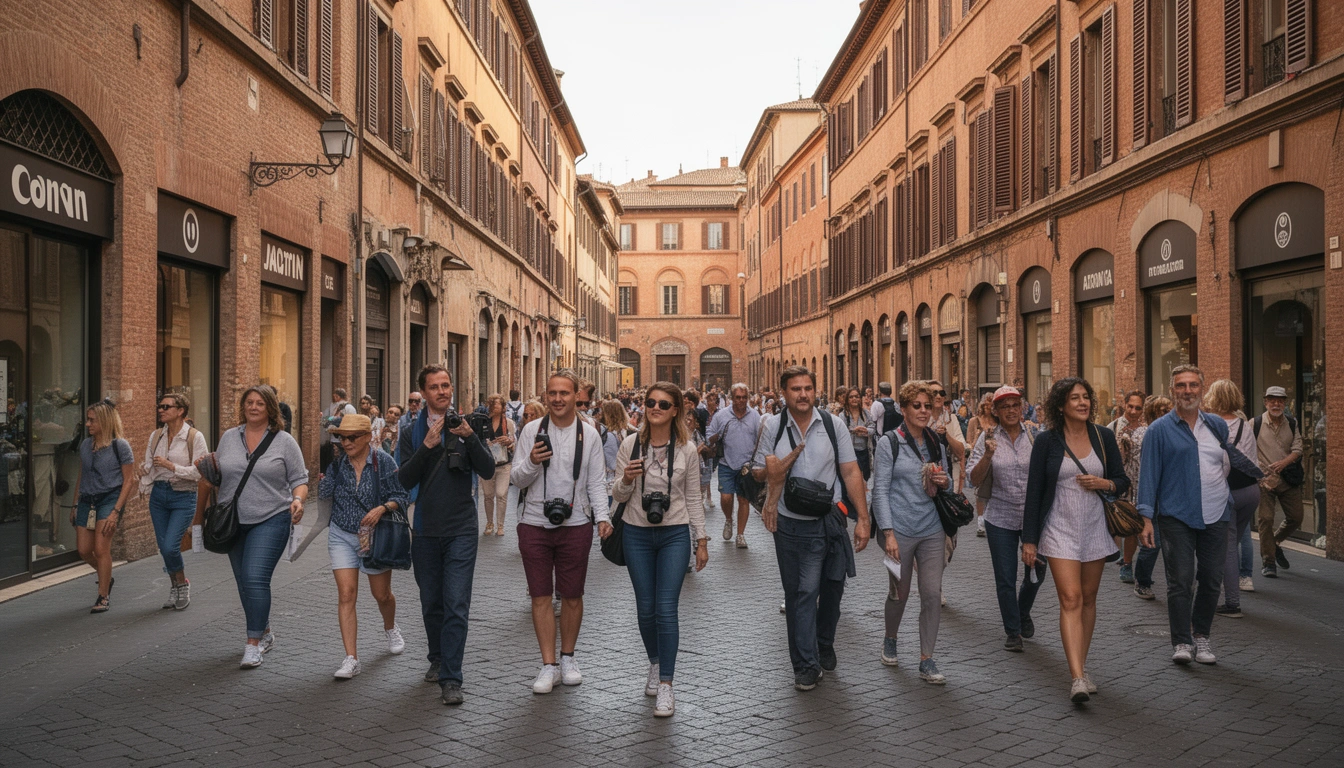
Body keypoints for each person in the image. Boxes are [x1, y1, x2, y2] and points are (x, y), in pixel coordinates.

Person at [755, 366, 870, 692]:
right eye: (795, 389)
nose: (802, 394)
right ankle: (805, 665)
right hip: (791, 524)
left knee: (833, 588)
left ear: (815, 390)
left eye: (808, 388)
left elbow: (850, 471)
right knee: (802, 593)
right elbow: (765, 471)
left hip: (830, 520)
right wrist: (768, 494)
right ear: (784, 393)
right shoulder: (773, 426)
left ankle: (824, 641)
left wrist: (863, 518)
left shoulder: (833, 425)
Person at [1022, 377, 1128, 702]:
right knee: (1070, 598)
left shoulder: (1103, 436)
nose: (1082, 403)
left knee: (1088, 598)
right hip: (1059, 528)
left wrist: (1104, 483)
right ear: (1061, 405)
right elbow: (1035, 492)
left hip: (1095, 527)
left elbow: (1122, 481)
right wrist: (1029, 540)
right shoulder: (1046, 441)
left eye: (1086, 397)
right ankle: (1077, 677)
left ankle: (1081, 662)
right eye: (1075, 398)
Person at [510, 370, 612, 695]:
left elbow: (597, 481)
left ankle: (568, 657)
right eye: (552, 393)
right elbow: (516, 478)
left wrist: (603, 518)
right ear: (545, 396)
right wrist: (531, 462)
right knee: (540, 596)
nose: (557, 399)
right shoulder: (530, 430)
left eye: (564, 393)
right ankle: (548, 665)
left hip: (576, 524)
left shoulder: (590, 434)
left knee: (572, 595)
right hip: (534, 523)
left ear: (575, 395)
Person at [398, 364, 494, 705]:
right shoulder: (410, 430)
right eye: (435, 387)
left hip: (462, 529)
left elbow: (486, 469)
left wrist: (470, 438)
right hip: (425, 529)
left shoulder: (467, 425)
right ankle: (437, 658)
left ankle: (452, 678)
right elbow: (403, 480)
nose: (442, 391)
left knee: (456, 603)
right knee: (432, 603)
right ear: (423, 393)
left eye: (446, 385)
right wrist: (426, 446)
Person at [612, 383, 709, 717]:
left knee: (666, 608)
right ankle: (654, 663)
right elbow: (618, 495)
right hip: (637, 534)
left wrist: (702, 540)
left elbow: (694, 497)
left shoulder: (687, 449)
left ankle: (666, 684)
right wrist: (626, 479)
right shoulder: (629, 444)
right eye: (650, 402)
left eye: (663, 404)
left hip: (674, 534)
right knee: (645, 608)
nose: (655, 408)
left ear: (675, 410)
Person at [202, 386, 308, 667]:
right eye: (249, 402)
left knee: (254, 578)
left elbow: (300, 478)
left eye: (260, 403)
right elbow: (219, 474)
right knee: (243, 583)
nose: (253, 406)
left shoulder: (284, 442)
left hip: (271, 518)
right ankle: (265, 631)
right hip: (234, 521)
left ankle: (252, 644)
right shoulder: (228, 437)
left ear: (270, 408)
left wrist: (297, 500)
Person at [1137, 365, 1235, 667]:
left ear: (1202, 389)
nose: (1188, 391)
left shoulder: (1217, 426)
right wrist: (1146, 517)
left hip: (1216, 512)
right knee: (1180, 580)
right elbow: (1148, 476)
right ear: (1172, 390)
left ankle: (1201, 634)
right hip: (1176, 514)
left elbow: (1226, 465)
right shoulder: (1158, 430)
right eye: (1181, 385)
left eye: (1193, 385)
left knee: (1212, 578)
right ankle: (1182, 640)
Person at [319, 414, 410, 679]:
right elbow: (324, 496)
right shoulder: (338, 465)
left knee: (382, 595)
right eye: (341, 438)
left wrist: (382, 508)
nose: (345, 443)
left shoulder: (383, 461)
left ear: (367, 437)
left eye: (351, 437)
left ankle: (391, 627)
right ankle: (351, 658)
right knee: (346, 595)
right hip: (341, 534)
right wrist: (323, 478)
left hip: (375, 537)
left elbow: (401, 496)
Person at [871, 381, 952, 683]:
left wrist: (944, 482)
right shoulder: (889, 442)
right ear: (903, 409)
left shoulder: (936, 442)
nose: (922, 411)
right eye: (916, 406)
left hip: (932, 529)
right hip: (900, 531)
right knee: (899, 593)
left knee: (931, 594)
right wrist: (888, 533)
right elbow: (879, 490)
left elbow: (950, 485)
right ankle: (890, 637)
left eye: (927, 406)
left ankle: (926, 658)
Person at [967, 386, 1043, 652]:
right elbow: (972, 479)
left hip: (1033, 516)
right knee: (1005, 577)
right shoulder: (986, 438)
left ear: (1022, 408)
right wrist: (988, 454)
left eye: (1015, 405)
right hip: (999, 516)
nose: (1011, 410)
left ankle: (1022, 611)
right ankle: (1013, 631)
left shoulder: (1035, 436)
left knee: (1039, 569)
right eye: (1005, 406)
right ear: (996, 411)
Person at [139, 392, 209, 611]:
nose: (161, 410)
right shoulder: (156, 435)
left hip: (183, 495)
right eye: (159, 406)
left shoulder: (194, 437)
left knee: (170, 546)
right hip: (159, 495)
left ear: (180, 411)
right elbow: (148, 464)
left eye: (166, 406)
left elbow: (199, 473)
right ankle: (174, 586)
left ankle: (182, 584)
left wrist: (171, 466)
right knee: (164, 547)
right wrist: (145, 473)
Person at [1204, 380, 1261, 619]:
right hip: (1250, 491)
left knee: (1225, 549)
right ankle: (1220, 588)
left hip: (1225, 493)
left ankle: (1231, 603)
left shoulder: (1209, 425)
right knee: (1233, 542)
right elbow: (1251, 458)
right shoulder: (1244, 425)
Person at [74, 400, 135, 613]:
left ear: (105, 421)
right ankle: (106, 577)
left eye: (92, 420)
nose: (87, 424)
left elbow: (129, 480)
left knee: (101, 549)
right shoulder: (85, 445)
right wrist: (75, 503)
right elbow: (82, 475)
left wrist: (116, 511)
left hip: (109, 499)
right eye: (88, 419)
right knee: (83, 550)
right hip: (86, 500)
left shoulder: (120, 446)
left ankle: (103, 595)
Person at [1254, 385, 1303, 578]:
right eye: (1272, 400)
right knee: (1265, 519)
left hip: (1288, 478)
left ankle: (1274, 542)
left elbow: (1298, 449)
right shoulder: (1254, 423)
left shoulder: (1292, 423)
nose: (1276, 404)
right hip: (1264, 481)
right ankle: (1268, 561)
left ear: (1285, 403)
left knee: (1296, 517)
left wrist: (1283, 463)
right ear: (1265, 402)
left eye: (1280, 400)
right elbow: (1246, 449)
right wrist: (1260, 471)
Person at [1131, 396, 1173, 599]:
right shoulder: (1143, 434)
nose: (1167, 413)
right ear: (1154, 413)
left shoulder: (1173, 432)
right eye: (1162, 410)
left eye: (1168, 409)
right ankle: (1142, 581)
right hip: (1149, 495)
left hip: (1170, 495)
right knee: (1150, 543)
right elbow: (1137, 469)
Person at [1108, 391, 1146, 583]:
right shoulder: (1113, 427)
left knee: (1132, 526)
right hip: (1118, 483)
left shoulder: (1146, 429)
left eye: (1138, 408)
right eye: (1130, 406)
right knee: (1117, 523)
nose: (1133, 411)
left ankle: (1127, 564)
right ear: (1124, 404)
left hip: (1138, 484)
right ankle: (1116, 553)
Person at [481, 394, 516, 537]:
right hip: (487, 464)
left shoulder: (508, 423)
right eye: (492, 404)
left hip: (504, 464)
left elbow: (514, 443)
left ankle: (500, 525)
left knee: (501, 494)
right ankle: (490, 523)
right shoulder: (484, 422)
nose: (495, 407)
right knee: (488, 495)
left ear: (503, 407)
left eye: (497, 404)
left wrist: (508, 442)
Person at [964, 393, 996, 537]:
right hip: (979, 454)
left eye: (992, 404)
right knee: (980, 489)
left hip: (995, 456)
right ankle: (981, 520)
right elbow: (968, 440)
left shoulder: (998, 422)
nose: (989, 406)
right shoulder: (974, 421)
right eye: (987, 404)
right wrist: (977, 439)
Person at [841, 388, 875, 482]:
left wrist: (866, 430)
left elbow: (873, 427)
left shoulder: (866, 414)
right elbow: (840, 432)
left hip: (864, 452)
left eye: (857, 396)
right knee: (852, 479)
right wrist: (853, 430)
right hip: (849, 452)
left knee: (865, 479)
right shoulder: (843, 415)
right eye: (851, 397)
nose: (854, 399)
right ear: (847, 399)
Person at [323, 388, 357, 472]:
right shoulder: (340, 407)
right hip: (338, 438)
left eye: (335, 396)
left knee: (342, 460)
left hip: (342, 438)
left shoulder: (346, 408)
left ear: (337, 396)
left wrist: (327, 419)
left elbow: (352, 423)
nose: (334, 398)